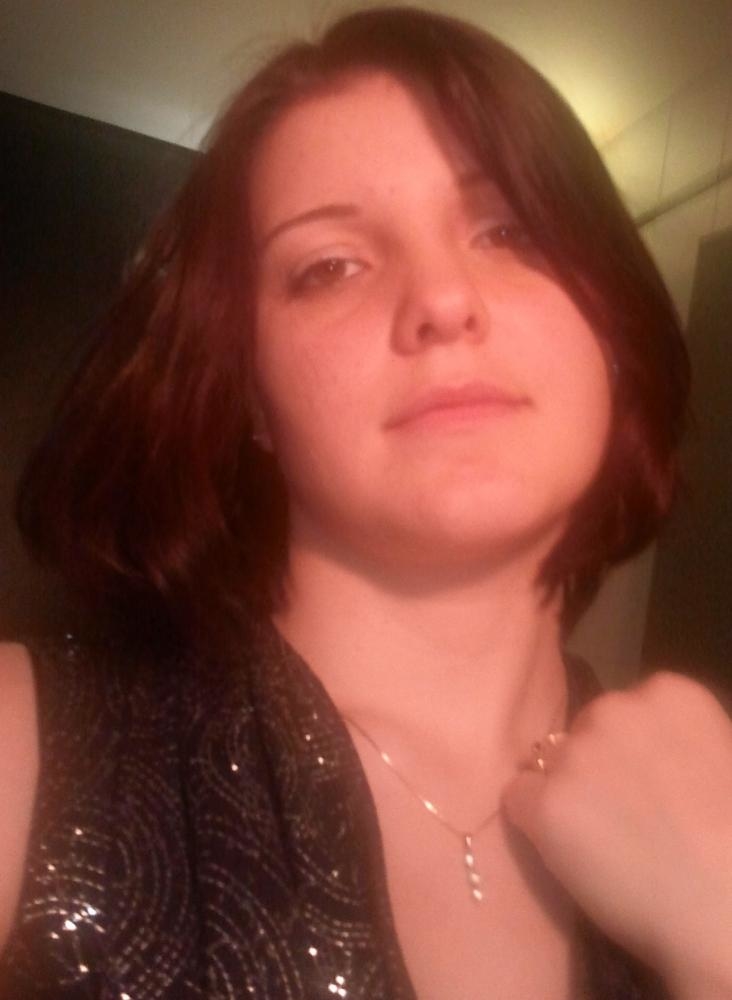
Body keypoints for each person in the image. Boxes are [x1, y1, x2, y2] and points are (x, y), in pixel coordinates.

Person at [1, 6, 731, 999]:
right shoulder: (25, 748)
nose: (443, 300)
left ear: (607, 327)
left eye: (509, 230)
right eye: (330, 266)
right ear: (250, 392)